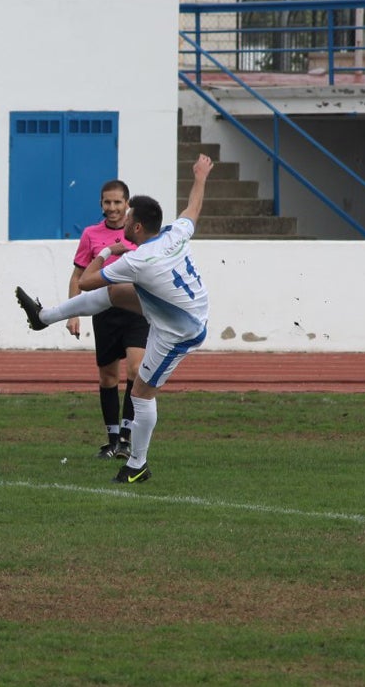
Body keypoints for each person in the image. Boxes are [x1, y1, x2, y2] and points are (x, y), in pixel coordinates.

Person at [15, 155, 215, 483]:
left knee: (141, 393)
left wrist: (111, 251)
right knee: (115, 294)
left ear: (136, 227)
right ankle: (44, 316)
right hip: (182, 307)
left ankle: (137, 464)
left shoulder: (137, 259)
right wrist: (200, 176)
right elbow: (191, 209)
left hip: (179, 330)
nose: (122, 218)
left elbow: (85, 281)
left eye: (128, 215)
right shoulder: (174, 234)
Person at [66, 180, 149, 460]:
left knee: (136, 371)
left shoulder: (138, 233)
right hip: (104, 311)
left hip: (136, 309)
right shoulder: (91, 235)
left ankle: (127, 436)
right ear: (101, 204)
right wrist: (73, 312)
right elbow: (78, 276)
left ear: (127, 204)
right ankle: (112, 440)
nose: (112, 208)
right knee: (108, 377)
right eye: (107, 202)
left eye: (117, 202)